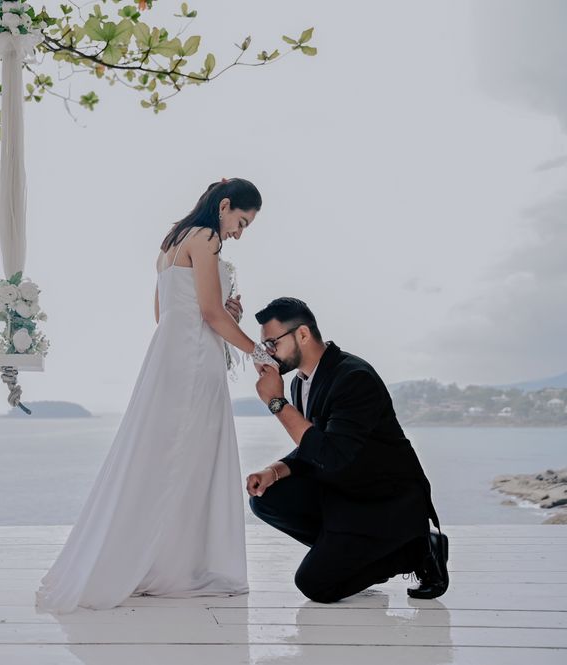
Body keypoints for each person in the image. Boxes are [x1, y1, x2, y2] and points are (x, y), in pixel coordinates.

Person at [34, 178, 278, 613]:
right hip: (193, 358)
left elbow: (164, 314)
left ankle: (157, 560)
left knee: (164, 454)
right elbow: (206, 312)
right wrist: (256, 349)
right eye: (241, 221)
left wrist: (224, 312)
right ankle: (177, 566)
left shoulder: (169, 245)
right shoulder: (206, 238)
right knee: (190, 455)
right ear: (224, 206)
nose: (239, 233)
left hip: (169, 354)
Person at [246, 297, 449, 603]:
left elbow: (331, 454)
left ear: (302, 334)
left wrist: (276, 404)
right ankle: (351, 555)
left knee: (315, 585)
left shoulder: (354, 378)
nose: (269, 353)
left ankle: (416, 550)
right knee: (266, 499)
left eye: (272, 343)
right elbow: (312, 445)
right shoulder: (300, 383)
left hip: (384, 502)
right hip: (344, 494)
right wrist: (274, 471)